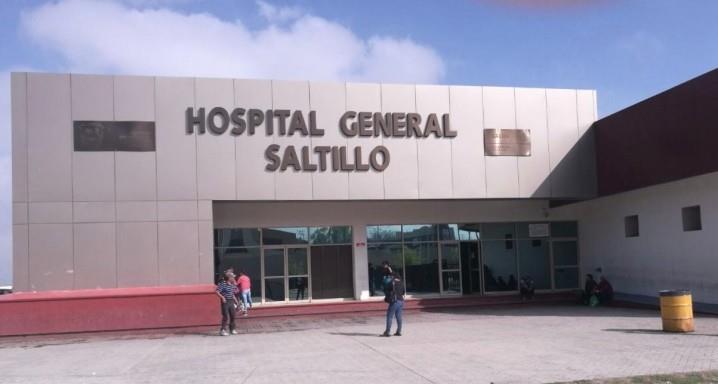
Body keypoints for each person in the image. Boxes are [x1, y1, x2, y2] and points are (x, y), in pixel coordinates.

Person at [381, 272, 405, 337]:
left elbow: (386, 290)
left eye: (391, 276)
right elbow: (403, 292)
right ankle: (399, 331)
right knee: (399, 317)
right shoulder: (401, 283)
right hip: (401, 301)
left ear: (393, 276)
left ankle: (387, 332)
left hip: (394, 301)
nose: (390, 277)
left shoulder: (392, 283)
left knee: (390, 316)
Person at [215, 271, 239, 336]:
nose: (234, 278)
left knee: (233, 315)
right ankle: (222, 330)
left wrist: (236, 302)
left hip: (231, 301)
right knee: (225, 316)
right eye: (232, 277)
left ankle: (232, 329)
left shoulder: (232, 284)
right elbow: (217, 291)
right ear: (229, 278)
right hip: (225, 302)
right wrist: (222, 297)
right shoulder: (223, 284)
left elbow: (233, 293)